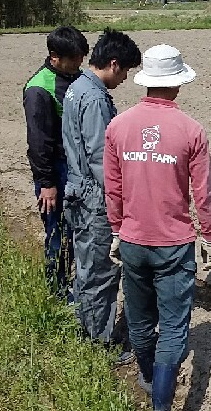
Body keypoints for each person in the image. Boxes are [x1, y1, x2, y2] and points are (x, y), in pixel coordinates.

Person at [104, 44, 211, 409]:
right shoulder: (191, 130)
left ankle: (149, 376)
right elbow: (203, 191)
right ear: (178, 83)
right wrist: (208, 234)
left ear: (147, 81)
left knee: (139, 320)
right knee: (172, 327)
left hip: (132, 241)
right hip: (174, 244)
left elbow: (113, 187)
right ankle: (162, 404)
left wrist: (116, 229)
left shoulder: (118, 126)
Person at [62, 28, 142, 358]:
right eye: (125, 71)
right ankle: (100, 344)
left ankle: (84, 326)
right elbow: (101, 160)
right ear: (113, 63)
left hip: (76, 189)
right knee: (101, 272)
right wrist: (121, 202)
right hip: (94, 198)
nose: (124, 79)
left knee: (85, 267)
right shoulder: (95, 99)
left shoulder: (76, 87)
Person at [22, 26, 88, 303]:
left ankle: (71, 283)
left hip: (74, 168)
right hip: (54, 172)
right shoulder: (39, 89)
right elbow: (39, 144)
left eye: (81, 57)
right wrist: (47, 183)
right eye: (74, 58)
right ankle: (57, 293)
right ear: (54, 57)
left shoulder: (73, 77)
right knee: (57, 232)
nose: (79, 63)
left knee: (74, 230)